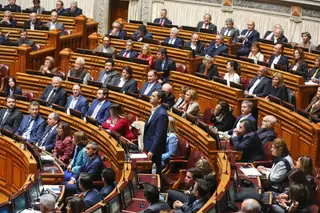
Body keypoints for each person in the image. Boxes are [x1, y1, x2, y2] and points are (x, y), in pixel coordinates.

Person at [144, 90, 168, 173]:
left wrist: (152, 151)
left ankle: (157, 186)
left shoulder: (162, 114)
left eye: (153, 96)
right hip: (149, 146)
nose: (151, 97)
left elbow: (159, 134)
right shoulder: (155, 110)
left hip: (154, 149)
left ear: (159, 99)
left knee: (155, 173)